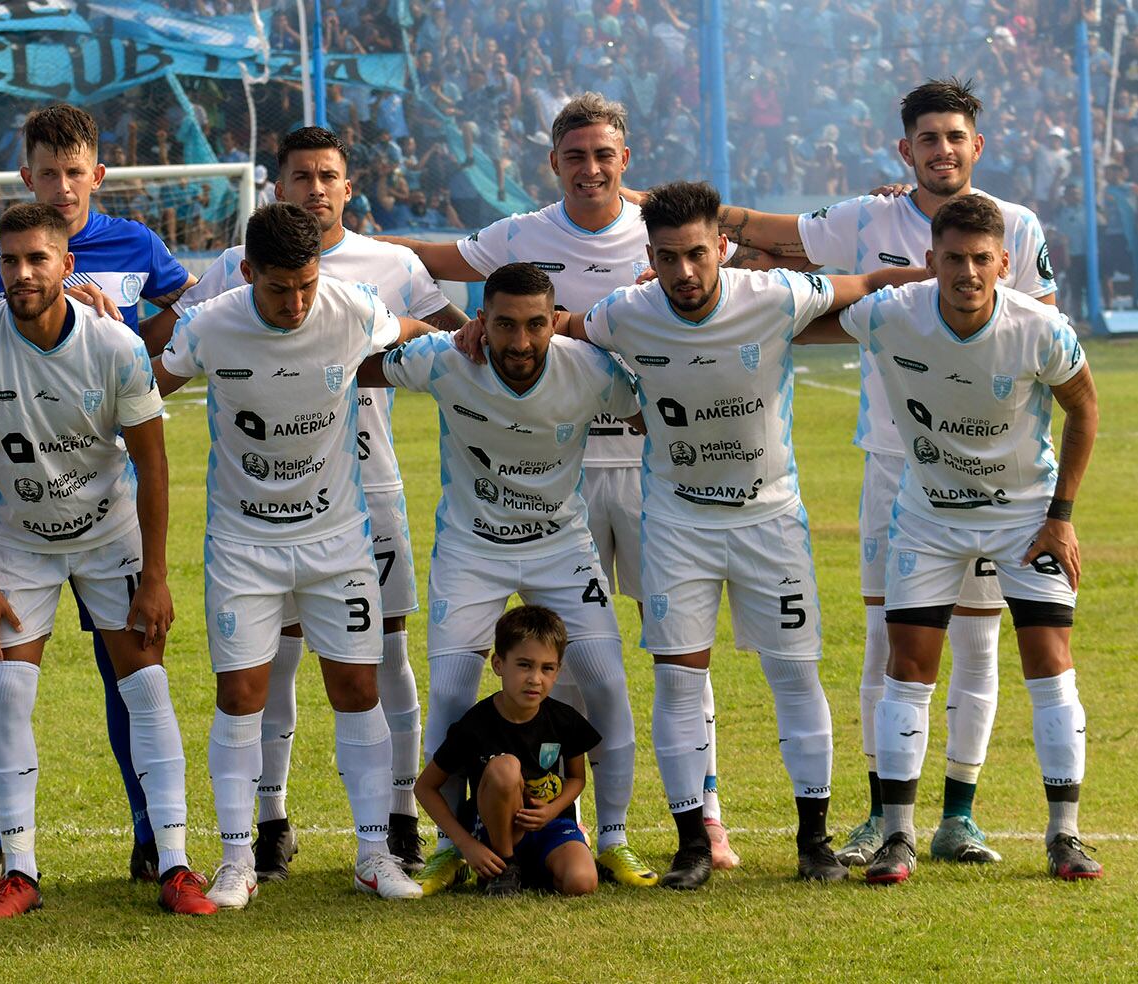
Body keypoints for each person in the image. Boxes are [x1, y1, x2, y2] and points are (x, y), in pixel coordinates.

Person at [382, 93, 765, 872]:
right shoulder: (519, 238)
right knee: (525, 671)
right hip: (559, 477)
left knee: (670, 650)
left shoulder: (665, 229)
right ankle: (543, 826)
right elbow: (429, 266)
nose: (589, 169)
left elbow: (737, 273)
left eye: (603, 155)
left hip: (651, 474)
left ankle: (704, 812)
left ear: (625, 159)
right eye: (574, 156)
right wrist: (344, 241)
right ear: (552, 161)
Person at [700, 78, 1059, 867]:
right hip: (897, 467)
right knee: (884, 642)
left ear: (976, 145)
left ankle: (958, 816)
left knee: (977, 641)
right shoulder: (868, 217)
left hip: (994, 476)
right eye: (926, 139)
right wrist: (638, 200)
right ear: (905, 150)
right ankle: (879, 814)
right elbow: (768, 233)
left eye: (954, 136)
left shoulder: (1016, 225)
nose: (941, 150)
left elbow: (1044, 332)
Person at [550, 180, 924, 889]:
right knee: (678, 679)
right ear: (648, 258)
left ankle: (812, 841)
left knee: (792, 676)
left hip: (769, 522)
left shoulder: (775, 294)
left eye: (696, 254)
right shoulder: (625, 312)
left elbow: (868, 281)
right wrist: (483, 327)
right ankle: (692, 843)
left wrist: (945, 273)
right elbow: (565, 328)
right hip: (676, 526)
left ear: (722, 247)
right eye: (666, 258)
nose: (683, 273)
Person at [144, 126, 468, 881]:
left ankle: (373, 853)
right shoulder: (211, 322)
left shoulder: (352, 305)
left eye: (305, 287)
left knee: (358, 684)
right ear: (247, 272)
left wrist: (465, 341)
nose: (294, 303)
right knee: (243, 692)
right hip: (243, 541)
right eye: (277, 288)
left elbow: (410, 327)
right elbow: (147, 388)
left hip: (338, 538)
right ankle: (235, 860)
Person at [0, 103, 197, 895]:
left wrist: (155, 573)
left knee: (142, 684)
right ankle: (18, 869)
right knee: (7, 691)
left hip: (110, 532)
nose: (22, 275)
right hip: (17, 540)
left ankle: (172, 859)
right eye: (10, 262)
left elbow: (152, 459)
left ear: (65, 259)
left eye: (37, 260)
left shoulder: (116, 342)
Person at [360, 261, 654, 894]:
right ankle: (448, 845)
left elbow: (649, 407)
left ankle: (614, 838)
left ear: (554, 322)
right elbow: (362, 365)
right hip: (471, 549)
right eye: (503, 326)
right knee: (450, 692)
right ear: (480, 323)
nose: (519, 343)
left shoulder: (591, 369)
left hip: (562, 546)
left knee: (605, 681)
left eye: (534, 326)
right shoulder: (445, 359)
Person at [833, 195, 1100, 884]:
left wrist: (1060, 515)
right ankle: (897, 837)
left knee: (1049, 661)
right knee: (907, 666)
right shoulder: (892, 314)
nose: (967, 271)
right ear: (931, 261)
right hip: (928, 514)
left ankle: (1063, 836)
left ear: (1003, 263)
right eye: (953, 258)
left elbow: (1083, 407)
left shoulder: (1038, 327)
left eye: (982, 259)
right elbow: (809, 312)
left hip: (1022, 517)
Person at [414, 605, 600, 897]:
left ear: (557, 671)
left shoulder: (565, 720)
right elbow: (425, 787)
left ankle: (544, 862)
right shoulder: (475, 725)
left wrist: (551, 810)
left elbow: (577, 779)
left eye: (547, 668)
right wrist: (466, 845)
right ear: (499, 664)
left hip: (550, 826)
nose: (535, 678)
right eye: (524, 665)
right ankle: (505, 866)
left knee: (582, 882)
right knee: (506, 768)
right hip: (493, 832)